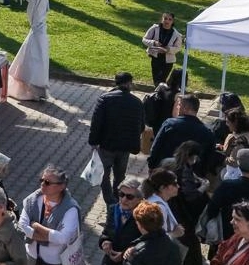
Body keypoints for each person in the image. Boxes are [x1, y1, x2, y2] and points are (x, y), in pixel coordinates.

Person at [89, 72, 146, 207]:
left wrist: (93, 141)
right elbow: (142, 126)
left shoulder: (105, 99)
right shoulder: (137, 102)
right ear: (129, 83)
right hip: (125, 147)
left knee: (104, 174)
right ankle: (118, 197)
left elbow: (96, 122)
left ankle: (110, 201)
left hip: (106, 145)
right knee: (120, 176)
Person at [148, 93, 217, 170]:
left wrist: (151, 165)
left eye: (179, 105)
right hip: (191, 174)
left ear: (185, 108)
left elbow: (156, 146)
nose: (177, 107)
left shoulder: (170, 124)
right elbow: (209, 157)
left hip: (166, 171)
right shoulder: (207, 133)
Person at [142, 12, 183, 88]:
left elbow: (178, 48)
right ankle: (159, 94)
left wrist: (168, 49)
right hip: (155, 57)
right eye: (165, 19)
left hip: (168, 60)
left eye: (170, 19)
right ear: (162, 19)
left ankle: (160, 94)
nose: (167, 21)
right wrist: (154, 42)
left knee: (162, 79)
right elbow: (144, 40)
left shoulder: (176, 34)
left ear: (173, 21)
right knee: (156, 78)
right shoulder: (154, 28)